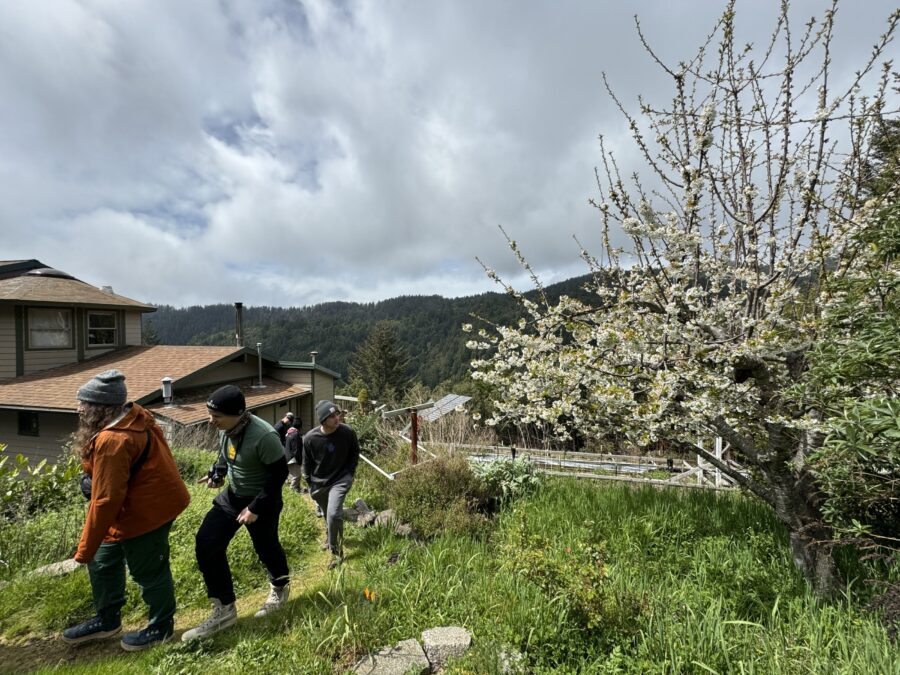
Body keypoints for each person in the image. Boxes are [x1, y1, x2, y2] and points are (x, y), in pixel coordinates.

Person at [62, 369, 190, 651]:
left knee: (149, 569)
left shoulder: (112, 441)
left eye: (84, 404)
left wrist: (82, 550)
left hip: (147, 512)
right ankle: (108, 620)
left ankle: (161, 627)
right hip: (139, 503)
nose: (79, 409)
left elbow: (106, 500)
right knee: (103, 559)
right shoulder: (134, 415)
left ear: (100, 409)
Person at [182, 385, 290, 642]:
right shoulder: (227, 429)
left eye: (216, 416)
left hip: (262, 500)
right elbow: (226, 456)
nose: (211, 421)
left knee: (266, 547)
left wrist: (255, 508)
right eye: (210, 414)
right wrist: (217, 471)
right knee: (207, 542)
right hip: (232, 496)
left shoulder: (264, 436)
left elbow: (279, 475)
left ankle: (279, 587)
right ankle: (224, 609)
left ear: (239, 413)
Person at [302, 400, 360, 569]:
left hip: (341, 479)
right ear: (323, 420)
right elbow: (307, 463)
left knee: (334, 514)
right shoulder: (310, 438)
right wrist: (309, 483)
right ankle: (331, 537)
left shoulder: (347, 432)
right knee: (329, 514)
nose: (337, 418)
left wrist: (350, 472)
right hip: (319, 484)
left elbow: (354, 453)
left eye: (337, 414)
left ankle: (336, 553)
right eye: (332, 416)